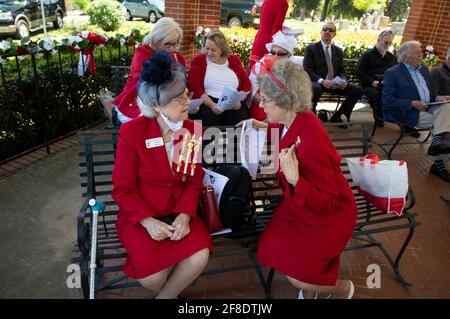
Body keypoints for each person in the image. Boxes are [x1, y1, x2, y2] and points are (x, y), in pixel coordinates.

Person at [238, 59, 357, 299]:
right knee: (277, 246)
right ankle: (311, 288)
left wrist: (295, 180)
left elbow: (330, 203)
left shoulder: (312, 143)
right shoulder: (298, 117)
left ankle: (344, 289)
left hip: (327, 215)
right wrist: (263, 125)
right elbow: (289, 133)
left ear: (286, 101)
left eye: (267, 100)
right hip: (303, 206)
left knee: (297, 276)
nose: (262, 104)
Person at [112, 51, 212, 299]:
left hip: (177, 212)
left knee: (200, 256)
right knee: (152, 276)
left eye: (186, 95)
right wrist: (147, 221)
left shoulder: (189, 130)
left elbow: (194, 178)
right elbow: (123, 188)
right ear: (156, 106)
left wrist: (186, 215)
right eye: (179, 100)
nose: (188, 102)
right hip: (142, 217)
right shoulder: (133, 132)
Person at [382, 41, 450, 182]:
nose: (421, 54)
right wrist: (412, 103)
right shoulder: (393, 73)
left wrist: (438, 97)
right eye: (417, 52)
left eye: (420, 51)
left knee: (447, 107)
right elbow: (387, 100)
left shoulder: (423, 70)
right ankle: (438, 163)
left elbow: (429, 93)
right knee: (445, 123)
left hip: (429, 106)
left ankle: (436, 142)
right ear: (406, 57)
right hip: (409, 111)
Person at [112, 17, 186, 125]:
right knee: (156, 122)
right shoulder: (143, 52)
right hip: (139, 100)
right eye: (167, 44)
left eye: (175, 44)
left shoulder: (178, 57)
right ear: (156, 40)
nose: (171, 48)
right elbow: (144, 81)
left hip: (168, 102)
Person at [188, 29, 251, 126]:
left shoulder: (234, 60)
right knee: (210, 124)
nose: (209, 53)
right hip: (207, 102)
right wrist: (212, 105)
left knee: (240, 124)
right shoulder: (199, 60)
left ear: (222, 49)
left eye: (213, 50)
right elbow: (194, 86)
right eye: (207, 48)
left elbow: (247, 85)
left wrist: (238, 100)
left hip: (232, 102)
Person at [303, 22, 363, 124]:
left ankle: (338, 116)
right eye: (325, 29)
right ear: (321, 32)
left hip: (335, 84)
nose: (327, 32)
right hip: (318, 82)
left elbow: (341, 71)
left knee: (357, 90)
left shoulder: (338, 51)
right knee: (315, 88)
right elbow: (308, 69)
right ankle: (312, 119)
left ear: (334, 34)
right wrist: (322, 81)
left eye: (330, 30)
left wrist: (344, 81)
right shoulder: (312, 48)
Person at [248, 30, 304, 121]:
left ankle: (281, 133)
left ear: (289, 55)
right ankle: (271, 133)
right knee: (271, 122)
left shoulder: (294, 68)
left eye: (281, 53)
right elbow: (252, 91)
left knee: (291, 118)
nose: (276, 56)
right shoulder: (260, 65)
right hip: (262, 103)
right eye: (273, 52)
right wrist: (267, 103)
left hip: (286, 106)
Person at [357, 30, 397, 127]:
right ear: (379, 40)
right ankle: (380, 118)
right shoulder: (367, 55)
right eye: (386, 42)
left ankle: (403, 121)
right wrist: (372, 82)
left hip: (386, 86)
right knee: (377, 94)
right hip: (370, 85)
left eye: (390, 43)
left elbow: (396, 73)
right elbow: (360, 72)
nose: (387, 45)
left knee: (403, 94)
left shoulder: (391, 57)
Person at [249, 0, 289, 70]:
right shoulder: (283, 3)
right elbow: (276, 30)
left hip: (259, 39)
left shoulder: (267, 1)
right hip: (268, 43)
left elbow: (267, 22)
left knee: (254, 72)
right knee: (266, 76)